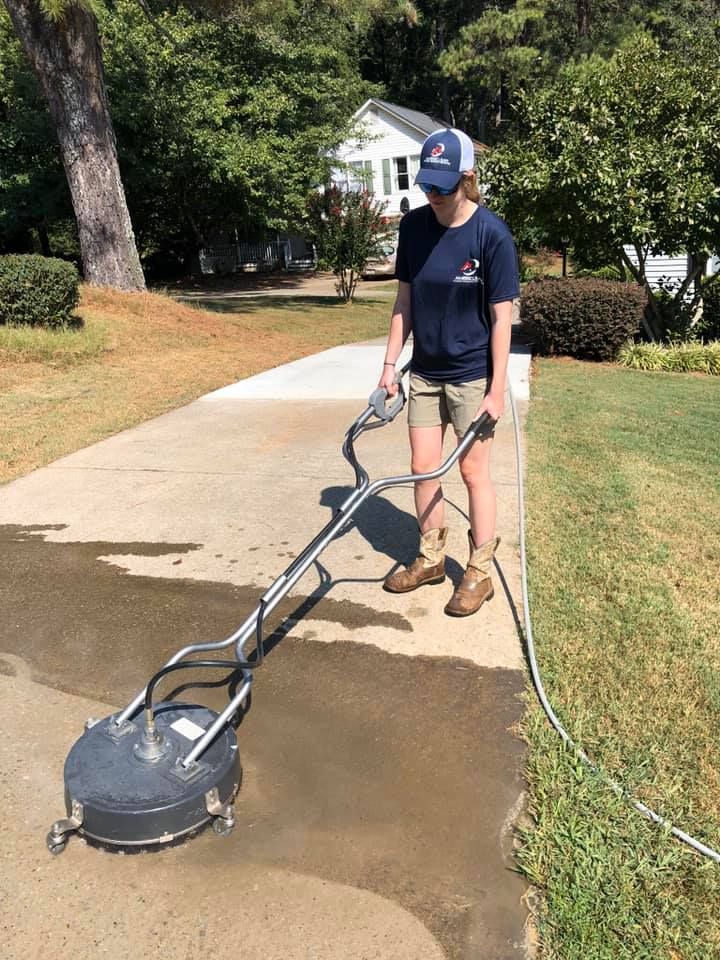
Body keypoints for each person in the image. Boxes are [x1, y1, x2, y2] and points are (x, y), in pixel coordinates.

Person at [378, 127, 520, 617]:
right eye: (427, 186)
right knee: (423, 467)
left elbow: (503, 317)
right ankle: (432, 556)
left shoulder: (491, 235)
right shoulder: (414, 228)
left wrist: (496, 389)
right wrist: (388, 367)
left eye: (443, 186)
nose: (434, 196)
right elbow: (404, 301)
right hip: (425, 372)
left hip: (471, 375)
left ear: (468, 179)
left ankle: (478, 573)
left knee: (472, 471)